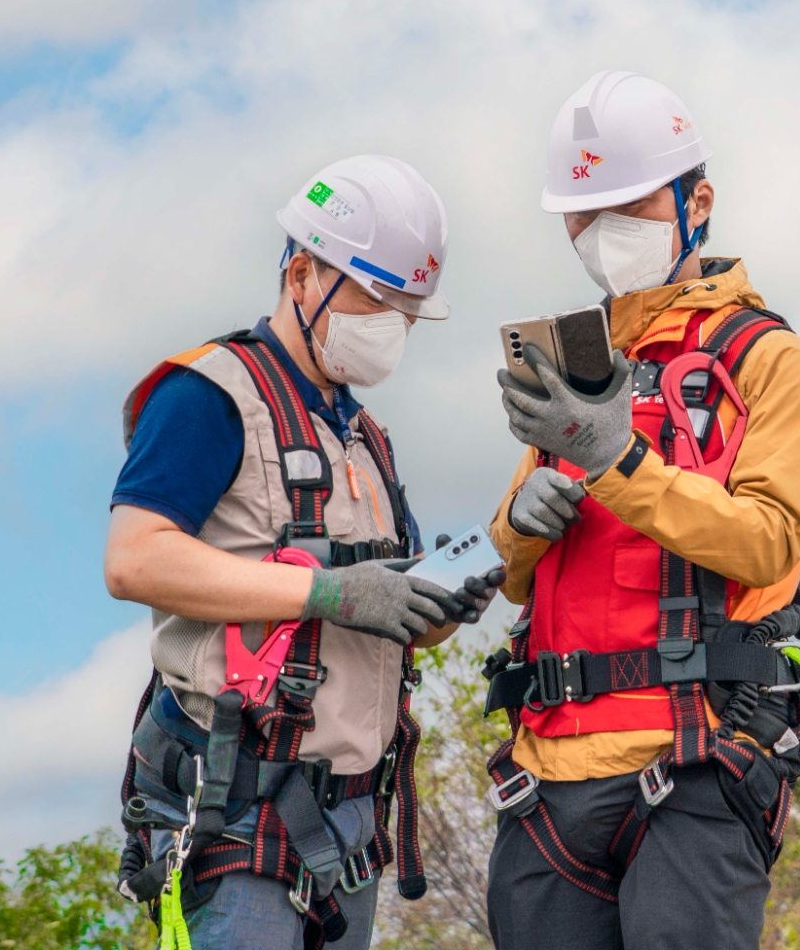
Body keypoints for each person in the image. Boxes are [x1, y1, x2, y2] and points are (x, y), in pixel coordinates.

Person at [104, 154, 505, 950]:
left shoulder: (363, 436)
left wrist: (446, 602)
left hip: (348, 825)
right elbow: (134, 560)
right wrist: (329, 594)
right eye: (377, 297)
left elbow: (394, 619)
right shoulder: (209, 396)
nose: (392, 322)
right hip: (239, 815)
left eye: (408, 308)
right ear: (300, 275)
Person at [481, 71, 800, 948]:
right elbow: (515, 578)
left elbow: (767, 542)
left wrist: (617, 460)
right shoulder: (574, 361)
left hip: (700, 760)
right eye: (582, 212)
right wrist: (521, 522)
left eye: (627, 207)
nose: (601, 234)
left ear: (698, 201)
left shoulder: (770, 360)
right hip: (548, 775)